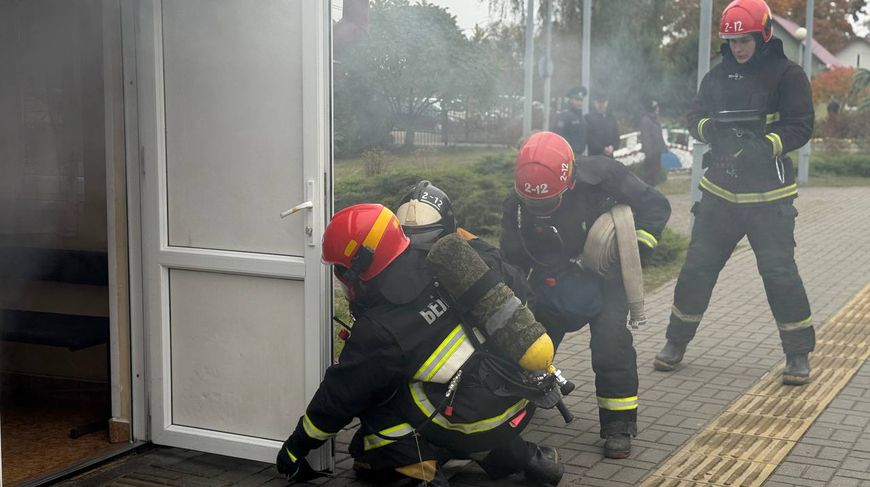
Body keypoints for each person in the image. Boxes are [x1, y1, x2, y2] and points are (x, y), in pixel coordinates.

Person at [276, 203, 564, 486]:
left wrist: (295, 447)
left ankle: (423, 475)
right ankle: (531, 459)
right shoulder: (442, 262)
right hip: (515, 396)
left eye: (341, 270)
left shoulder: (379, 329)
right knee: (461, 394)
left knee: (376, 407)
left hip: (473, 420)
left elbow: (340, 396)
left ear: (359, 266)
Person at [653, 0, 815, 387]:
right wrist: (712, 132)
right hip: (720, 196)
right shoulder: (717, 77)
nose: (737, 48)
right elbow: (694, 118)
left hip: (769, 199)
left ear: (763, 36)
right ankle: (676, 342)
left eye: (744, 40)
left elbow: (801, 125)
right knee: (697, 270)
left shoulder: (788, 76)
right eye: (731, 41)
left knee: (780, 274)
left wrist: (765, 146)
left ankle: (797, 353)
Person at [500, 131, 671, 459]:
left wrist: (636, 251)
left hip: (605, 277)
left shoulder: (604, 177)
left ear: (570, 181)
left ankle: (619, 424)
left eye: (548, 201)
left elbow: (656, 207)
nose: (541, 209)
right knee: (530, 347)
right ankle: (512, 408)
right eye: (534, 203)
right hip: (551, 282)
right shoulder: (517, 205)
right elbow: (513, 261)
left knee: (611, 345)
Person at [639, 99, 667, 186]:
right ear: (652, 109)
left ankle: (654, 188)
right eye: (656, 107)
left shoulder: (655, 120)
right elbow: (646, 138)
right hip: (651, 153)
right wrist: (649, 153)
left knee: (656, 174)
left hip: (657, 151)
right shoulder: (646, 120)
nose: (658, 109)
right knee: (649, 175)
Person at [585, 92, 620, 157]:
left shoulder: (611, 118)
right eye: (599, 102)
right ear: (595, 103)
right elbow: (589, 138)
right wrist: (602, 149)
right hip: (595, 156)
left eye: (603, 102)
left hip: (609, 156)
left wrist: (613, 147)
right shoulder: (588, 118)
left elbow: (616, 136)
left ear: (607, 103)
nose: (601, 105)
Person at [555, 86, 587, 156]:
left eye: (581, 100)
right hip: (566, 155)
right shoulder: (564, 116)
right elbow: (559, 136)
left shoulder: (581, 117)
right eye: (577, 100)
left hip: (579, 155)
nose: (580, 103)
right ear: (571, 100)